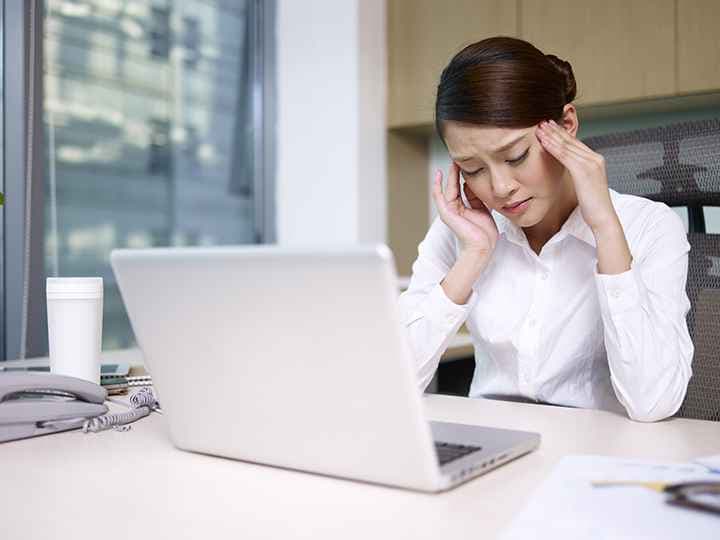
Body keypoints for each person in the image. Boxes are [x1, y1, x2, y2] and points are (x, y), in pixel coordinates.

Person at [398, 36, 693, 422]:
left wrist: (606, 230)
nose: (500, 188)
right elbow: (389, 385)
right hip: (492, 444)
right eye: (473, 169)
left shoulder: (649, 227)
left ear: (566, 125)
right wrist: (473, 258)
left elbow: (652, 403)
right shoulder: (462, 230)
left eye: (516, 156)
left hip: (600, 458)